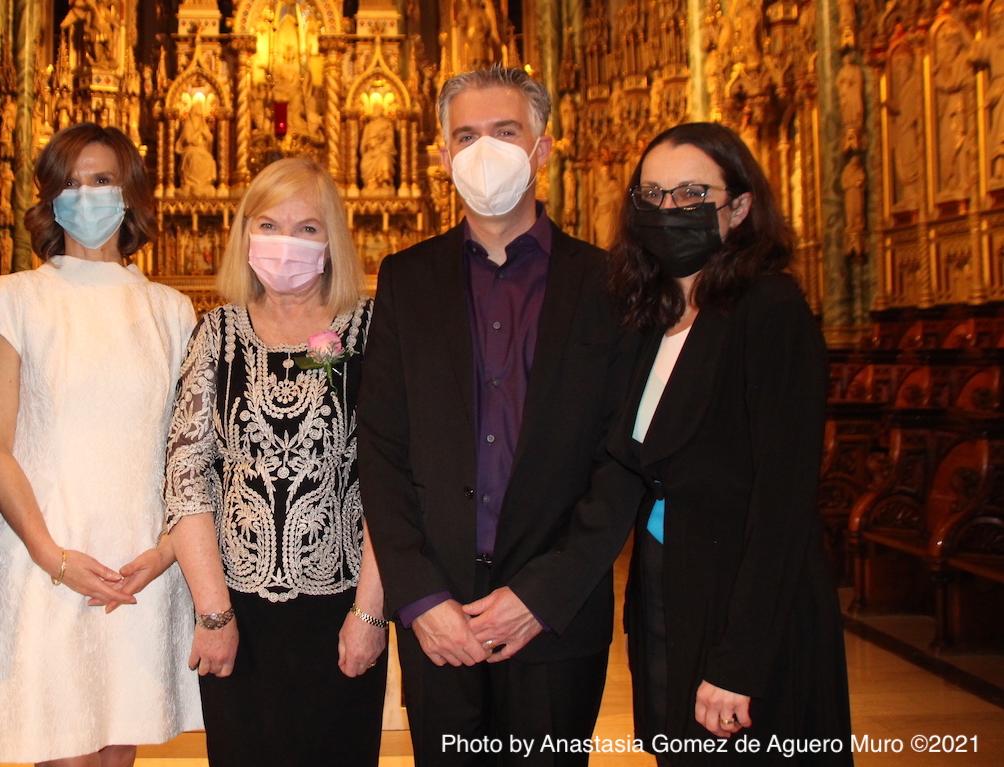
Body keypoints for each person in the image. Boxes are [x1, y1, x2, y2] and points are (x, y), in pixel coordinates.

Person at [357, 66, 641, 766]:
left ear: (542, 150)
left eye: (505, 132)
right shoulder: (405, 279)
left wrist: (542, 593)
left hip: (554, 614)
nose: (486, 150)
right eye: (466, 135)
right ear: (444, 157)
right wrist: (419, 595)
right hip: (437, 611)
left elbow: (622, 459)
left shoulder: (606, 283)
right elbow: (381, 450)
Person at [606, 122, 852, 762]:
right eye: (652, 195)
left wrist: (740, 662)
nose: (669, 210)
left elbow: (784, 502)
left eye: (691, 193)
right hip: (667, 594)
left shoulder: (770, 310)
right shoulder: (650, 317)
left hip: (748, 616)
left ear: (739, 207)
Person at [0, 123, 201, 766]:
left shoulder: (171, 310)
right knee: (58, 744)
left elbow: (193, 451)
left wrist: (167, 551)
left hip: (139, 562)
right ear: (48, 199)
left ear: (131, 197)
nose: (86, 195)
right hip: (49, 552)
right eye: (71, 182)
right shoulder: (17, 298)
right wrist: (52, 555)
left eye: (102, 181)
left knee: (117, 748)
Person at [164, 157, 387, 767]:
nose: (286, 242)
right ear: (243, 235)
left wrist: (370, 611)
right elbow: (187, 479)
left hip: (343, 607)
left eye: (307, 228)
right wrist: (213, 614)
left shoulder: (368, 332)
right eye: (268, 224)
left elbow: (394, 486)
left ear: (333, 240)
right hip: (236, 612)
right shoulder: (217, 333)